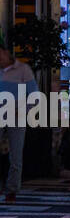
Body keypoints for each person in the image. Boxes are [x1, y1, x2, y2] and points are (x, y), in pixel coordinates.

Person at [0, 43, 36, 201]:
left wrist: (22, 110)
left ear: (6, 52)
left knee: (16, 155)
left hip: (17, 116)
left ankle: (11, 190)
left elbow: (34, 95)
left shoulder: (23, 70)